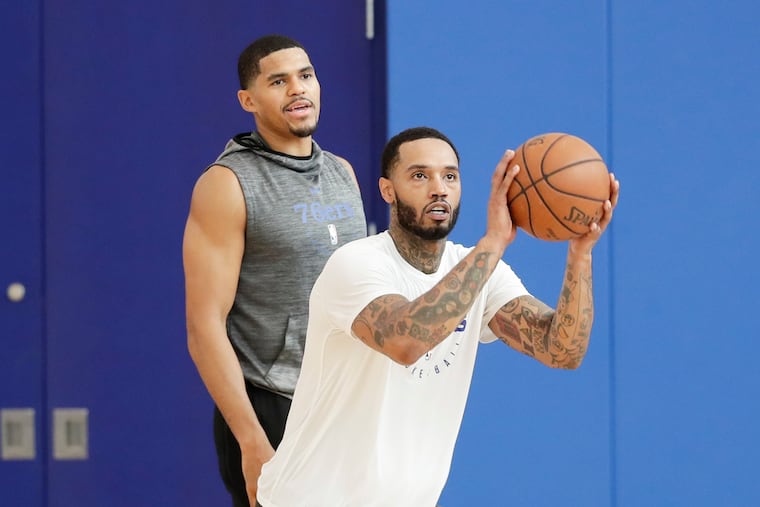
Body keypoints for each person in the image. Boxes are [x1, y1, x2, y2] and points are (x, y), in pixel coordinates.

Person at [256, 126, 620, 506]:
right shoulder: (356, 264)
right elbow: (407, 340)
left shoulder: (479, 269)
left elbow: (561, 350)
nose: (438, 188)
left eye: (450, 176)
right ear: (387, 190)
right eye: (419, 175)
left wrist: (581, 255)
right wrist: (494, 242)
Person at [182, 34, 367, 507]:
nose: (297, 90)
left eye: (305, 76)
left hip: (346, 403)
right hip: (273, 406)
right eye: (278, 81)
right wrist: (250, 439)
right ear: (248, 100)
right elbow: (204, 327)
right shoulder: (226, 183)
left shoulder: (343, 173)